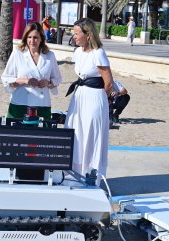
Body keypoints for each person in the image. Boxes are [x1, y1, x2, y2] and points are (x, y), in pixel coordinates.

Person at [65, 18, 113, 186]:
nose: (74, 36)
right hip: (79, 97)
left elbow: (108, 83)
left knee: (91, 136)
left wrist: (101, 100)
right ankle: (74, 174)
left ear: (88, 34)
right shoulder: (78, 52)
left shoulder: (98, 53)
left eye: (77, 33)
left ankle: (92, 176)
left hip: (94, 98)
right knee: (75, 132)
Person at [1, 22, 61, 120]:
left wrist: (48, 82)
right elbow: (6, 78)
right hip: (19, 104)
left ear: (41, 38)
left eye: (36, 37)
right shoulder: (18, 53)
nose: (32, 41)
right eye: (29, 37)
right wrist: (24, 81)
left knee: (43, 135)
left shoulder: (50, 55)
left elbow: (57, 79)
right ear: (25, 38)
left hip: (43, 105)